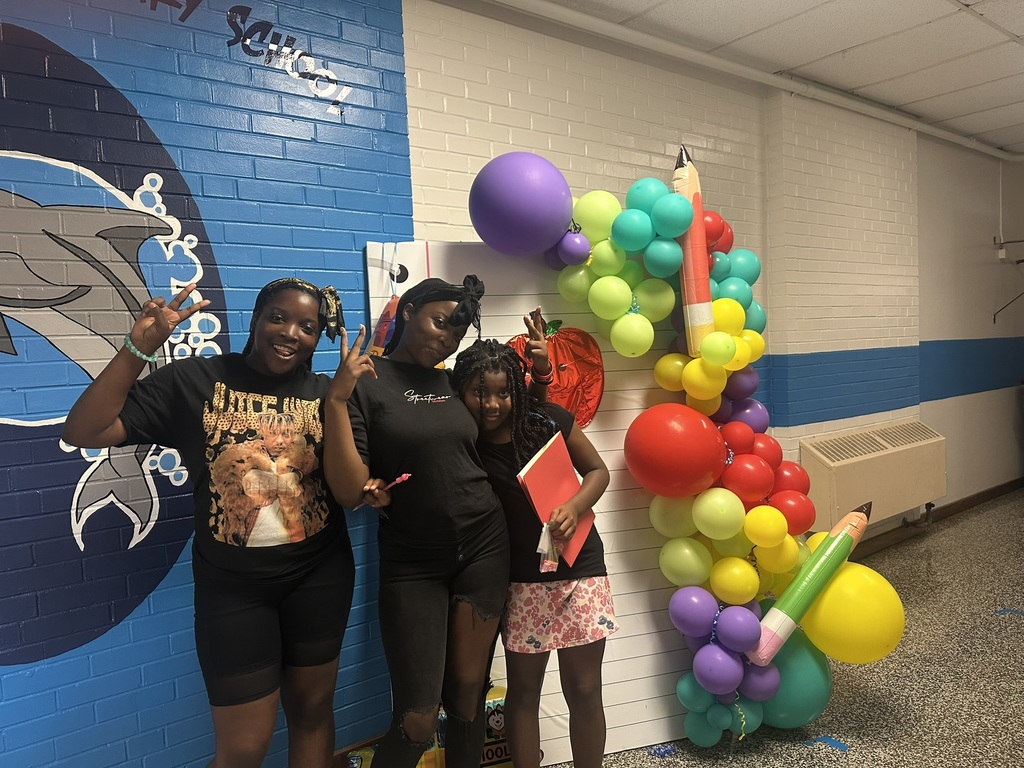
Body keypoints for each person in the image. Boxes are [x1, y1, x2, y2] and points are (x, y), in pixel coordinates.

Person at [62, 279, 353, 768]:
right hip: (233, 591)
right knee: (243, 747)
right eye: (278, 317)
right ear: (257, 319)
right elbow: (84, 429)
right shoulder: (195, 381)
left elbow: (349, 477)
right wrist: (139, 348)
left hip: (319, 578)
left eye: (308, 326)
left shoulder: (328, 394)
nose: (290, 333)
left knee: (312, 712)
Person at [324, 275, 540, 768]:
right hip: (413, 561)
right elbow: (345, 490)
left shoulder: (451, 381)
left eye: (454, 332)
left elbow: (511, 413)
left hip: (485, 547)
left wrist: (542, 377)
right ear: (407, 311)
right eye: (438, 322)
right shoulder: (364, 381)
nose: (444, 338)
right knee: (418, 719)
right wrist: (337, 401)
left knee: (467, 702)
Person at [450, 335, 616, 768]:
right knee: (523, 694)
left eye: (503, 393)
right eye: (479, 393)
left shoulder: (547, 421)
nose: (491, 404)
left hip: (580, 569)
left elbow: (598, 470)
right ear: (461, 388)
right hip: (520, 579)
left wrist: (575, 506)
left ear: (517, 389)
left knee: (583, 689)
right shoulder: (464, 441)